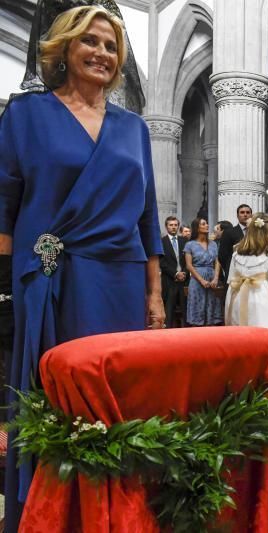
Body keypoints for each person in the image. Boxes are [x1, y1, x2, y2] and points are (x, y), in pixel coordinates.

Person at [0, 4, 163, 528]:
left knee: (117, 399)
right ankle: (54, 514)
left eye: (112, 46)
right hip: (49, 280)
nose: (102, 53)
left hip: (120, 279)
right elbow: (4, 207)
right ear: (64, 49)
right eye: (91, 42)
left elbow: (148, 214)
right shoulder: (24, 115)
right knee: (56, 399)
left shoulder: (134, 128)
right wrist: (4, 289)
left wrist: (155, 295)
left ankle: (115, 512)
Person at [224, 213, 268, 328]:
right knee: (261, 336)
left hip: (235, 297)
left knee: (236, 336)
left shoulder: (236, 253)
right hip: (259, 300)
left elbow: (230, 280)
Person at [184, 217, 223, 326]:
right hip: (197, 279)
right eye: (203, 224)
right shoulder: (190, 244)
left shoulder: (213, 244)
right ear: (197, 227)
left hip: (212, 277)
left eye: (206, 224)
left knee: (212, 305)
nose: (207, 225)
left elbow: (217, 262)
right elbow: (189, 265)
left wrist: (216, 278)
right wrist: (201, 280)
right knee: (197, 306)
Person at [160, 215, 187, 328]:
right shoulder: (162, 242)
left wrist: (184, 273)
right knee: (169, 311)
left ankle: (187, 335)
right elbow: (162, 262)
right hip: (169, 280)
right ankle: (168, 334)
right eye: (171, 225)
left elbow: (189, 260)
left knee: (185, 310)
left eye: (176, 225)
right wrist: (175, 274)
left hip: (184, 281)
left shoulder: (184, 241)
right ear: (166, 227)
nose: (173, 227)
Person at [217, 203, 252, 283]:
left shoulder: (256, 232)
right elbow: (222, 256)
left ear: (251, 215)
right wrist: (230, 267)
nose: (245, 215)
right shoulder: (229, 232)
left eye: (248, 212)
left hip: (252, 274)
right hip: (234, 273)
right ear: (237, 215)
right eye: (242, 212)